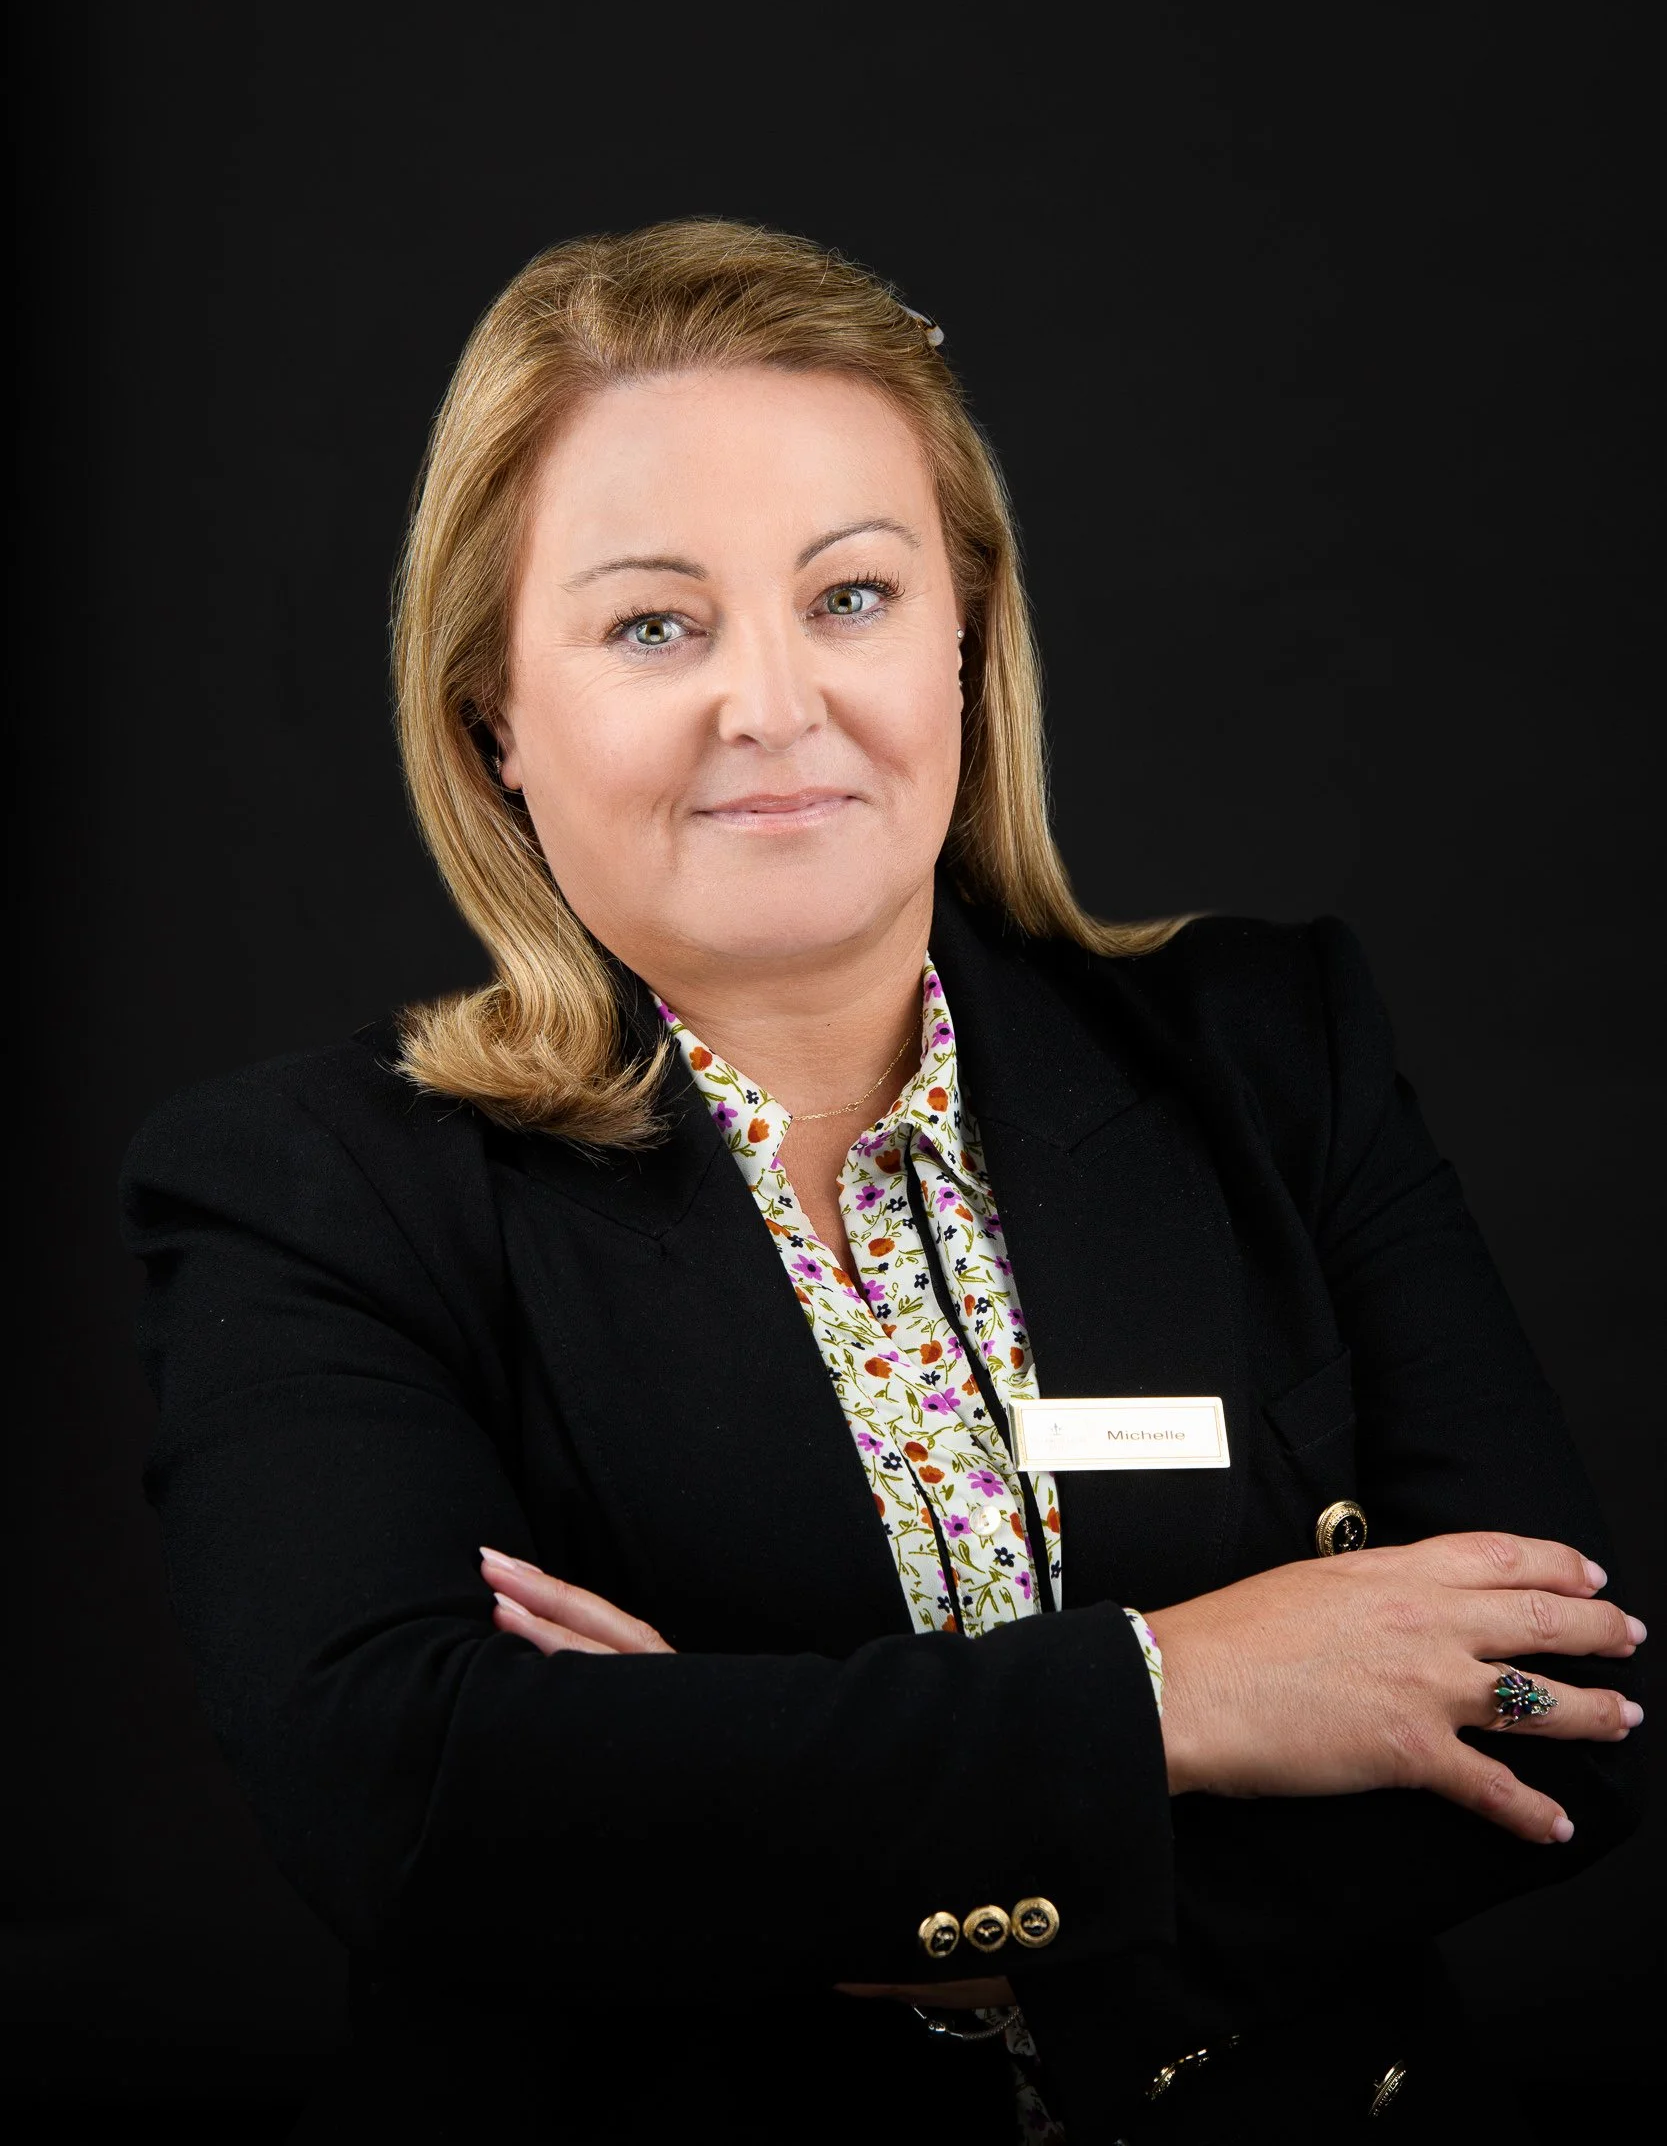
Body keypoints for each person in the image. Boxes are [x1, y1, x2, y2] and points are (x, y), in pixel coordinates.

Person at [122, 220, 1645, 2143]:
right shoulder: (310, 1190)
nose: (772, 705)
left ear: (964, 641)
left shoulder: (1273, 1056)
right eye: (653, 625)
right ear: (493, 713)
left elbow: (1565, 1714)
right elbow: (414, 1810)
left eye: (849, 595)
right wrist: (1172, 1696)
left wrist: (749, 1828)